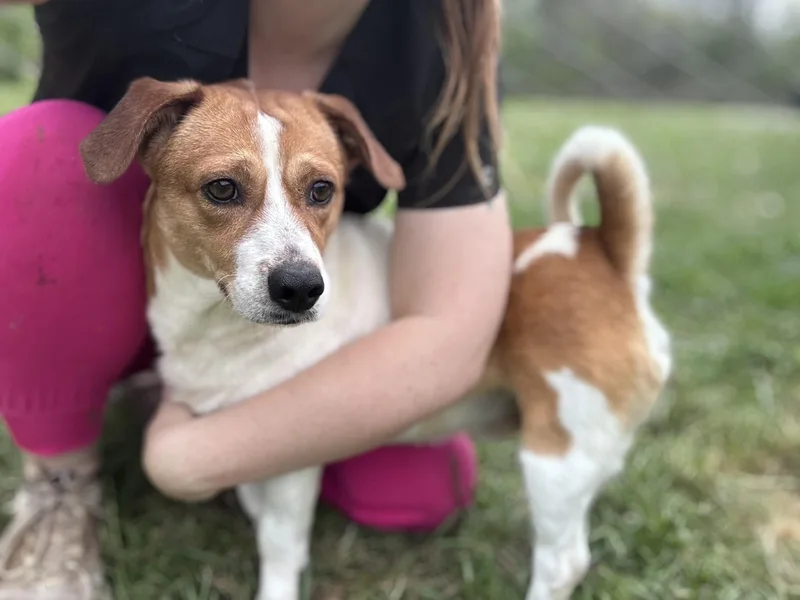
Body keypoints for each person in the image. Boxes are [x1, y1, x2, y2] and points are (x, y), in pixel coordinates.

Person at [0, 0, 512, 597]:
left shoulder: (440, 38)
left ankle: (188, 399)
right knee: (33, 154)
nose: (294, 262)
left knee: (425, 490)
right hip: (107, 281)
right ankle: (61, 478)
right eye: (225, 188)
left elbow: (450, 330)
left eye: (318, 190)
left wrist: (186, 459)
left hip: (273, 340)